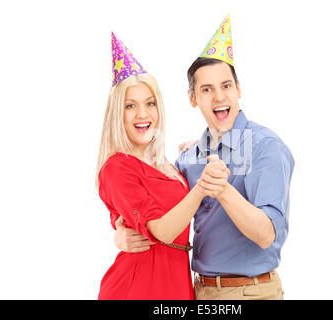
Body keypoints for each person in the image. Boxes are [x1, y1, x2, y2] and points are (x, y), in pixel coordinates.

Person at [114, 15, 295, 300]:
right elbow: (162, 217)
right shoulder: (189, 158)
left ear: (238, 89)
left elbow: (266, 234)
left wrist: (221, 189)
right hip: (198, 291)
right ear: (192, 98)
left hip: (252, 292)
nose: (219, 97)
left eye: (225, 86)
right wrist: (121, 236)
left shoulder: (265, 147)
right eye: (206, 90)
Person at [96, 33, 230, 300]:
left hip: (176, 286)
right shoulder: (116, 169)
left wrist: (200, 149)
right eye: (130, 106)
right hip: (138, 288)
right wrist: (201, 188)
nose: (143, 114)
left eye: (150, 103)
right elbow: (160, 229)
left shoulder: (167, 166)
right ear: (116, 114)